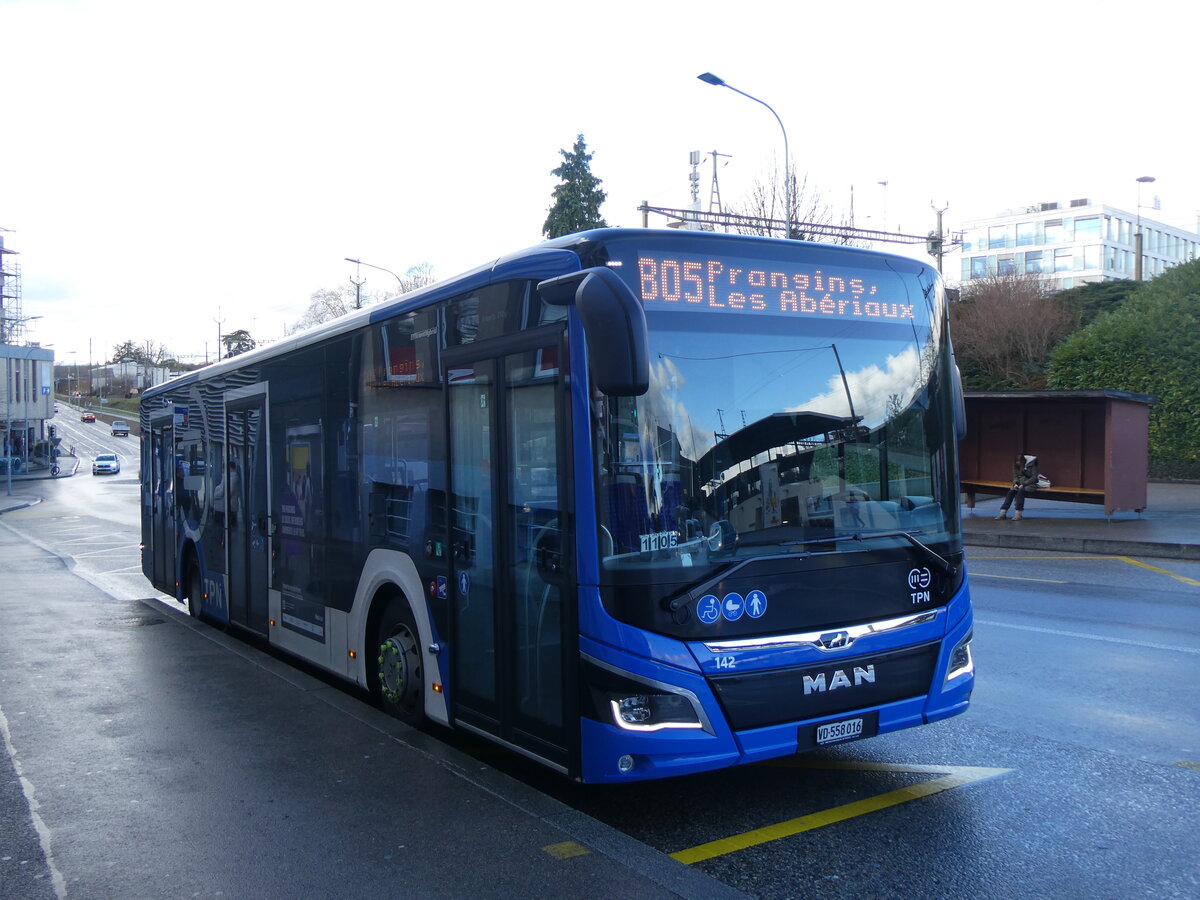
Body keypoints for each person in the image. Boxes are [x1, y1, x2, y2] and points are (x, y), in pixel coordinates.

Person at [995, 454, 1039, 520]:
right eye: (1017, 461)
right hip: (1019, 483)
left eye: (1019, 461)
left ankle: (1018, 513)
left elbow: (1034, 478)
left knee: (1020, 492)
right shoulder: (1015, 466)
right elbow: (1015, 477)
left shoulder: (1032, 465)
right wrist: (1016, 483)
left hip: (1029, 484)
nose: (1018, 463)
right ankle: (1003, 512)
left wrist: (1024, 484)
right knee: (1011, 492)